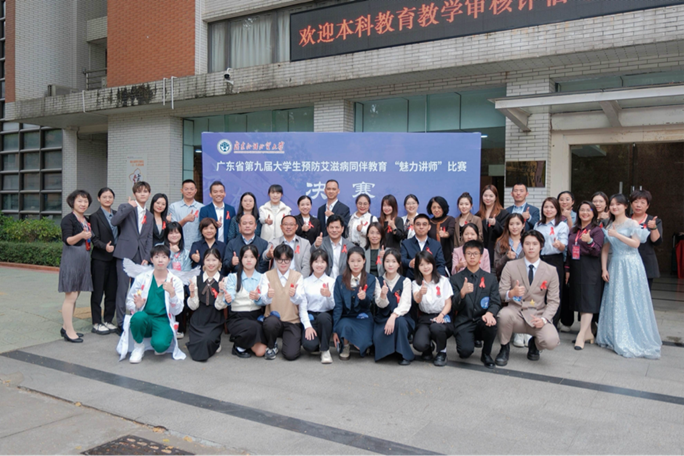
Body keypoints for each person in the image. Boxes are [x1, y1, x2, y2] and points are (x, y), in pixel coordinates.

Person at [598, 194, 661, 359]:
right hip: (616, 264)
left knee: (632, 299)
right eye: (612, 204)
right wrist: (604, 268)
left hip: (632, 264)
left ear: (626, 206)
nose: (615, 207)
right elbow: (605, 249)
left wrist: (617, 235)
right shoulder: (609, 224)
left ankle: (633, 335)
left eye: (618, 204)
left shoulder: (632, 223)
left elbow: (636, 244)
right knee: (616, 300)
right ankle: (615, 334)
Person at [495, 231, 561, 367]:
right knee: (503, 315)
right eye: (527, 244)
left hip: (538, 315)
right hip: (516, 312)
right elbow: (501, 292)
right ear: (522, 246)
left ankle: (534, 344)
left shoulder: (551, 270)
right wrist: (511, 293)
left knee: (551, 341)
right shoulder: (510, 266)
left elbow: (554, 301)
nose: (531, 247)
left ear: (541, 246)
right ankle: (504, 347)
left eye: (535, 244)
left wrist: (544, 319)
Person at [116, 245, 186, 363]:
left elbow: (177, 310)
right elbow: (130, 301)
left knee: (160, 347)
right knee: (137, 317)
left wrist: (172, 293)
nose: (160, 260)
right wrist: (137, 305)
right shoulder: (142, 278)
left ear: (169, 260)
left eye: (164, 257)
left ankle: (158, 339)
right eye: (157, 257)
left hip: (163, 320)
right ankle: (138, 346)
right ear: (151, 259)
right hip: (146, 318)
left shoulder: (175, 281)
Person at [450, 240, 501, 368]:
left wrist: (490, 313)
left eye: (475, 253)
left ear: (481, 256)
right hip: (464, 321)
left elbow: (496, 301)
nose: (472, 256)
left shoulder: (490, 279)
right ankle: (468, 340)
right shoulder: (455, 279)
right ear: (464, 255)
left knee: (491, 324)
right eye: (469, 253)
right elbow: (454, 306)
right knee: (464, 353)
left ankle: (486, 354)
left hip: (482, 319)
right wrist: (462, 294)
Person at [112, 181, 154, 334]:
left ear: (149, 194)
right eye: (139, 191)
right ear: (134, 193)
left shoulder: (150, 215)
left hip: (141, 256)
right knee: (122, 289)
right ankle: (120, 322)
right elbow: (114, 221)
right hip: (125, 254)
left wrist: (147, 256)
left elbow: (149, 238)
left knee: (138, 289)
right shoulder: (126, 207)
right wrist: (130, 207)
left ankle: (135, 319)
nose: (142, 194)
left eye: (145, 191)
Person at [565, 202, 604, 350]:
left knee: (588, 300)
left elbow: (597, 251)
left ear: (594, 213)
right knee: (581, 300)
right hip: (576, 267)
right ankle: (588, 333)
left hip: (590, 268)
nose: (585, 213)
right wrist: (567, 269)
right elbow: (569, 251)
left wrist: (590, 242)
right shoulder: (574, 229)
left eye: (588, 210)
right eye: (582, 210)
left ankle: (581, 336)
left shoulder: (597, 230)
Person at [59, 189, 94, 343]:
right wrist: (81, 235)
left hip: (83, 260)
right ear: (72, 202)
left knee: (75, 296)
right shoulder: (68, 219)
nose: (83, 204)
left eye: (85, 201)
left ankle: (66, 327)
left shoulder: (85, 219)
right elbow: (67, 240)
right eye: (80, 201)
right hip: (72, 260)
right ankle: (69, 331)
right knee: (71, 296)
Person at [260, 244, 305, 361]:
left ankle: (289, 340)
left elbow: (300, 300)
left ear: (291, 260)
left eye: (286, 260)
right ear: (275, 259)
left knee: (291, 355)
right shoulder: (267, 275)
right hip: (273, 319)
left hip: (292, 320)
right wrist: (268, 295)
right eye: (280, 260)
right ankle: (272, 345)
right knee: (271, 323)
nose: (283, 263)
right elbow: (264, 300)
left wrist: (294, 295)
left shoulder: (298, 276)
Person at [223, 244, 268, 358]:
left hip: (255, 315)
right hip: (237, 317)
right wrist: (228, 299)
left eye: (252, 257)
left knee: (260, 352)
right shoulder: (233, 277)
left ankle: (243, 340)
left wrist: (257, 297)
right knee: (255, 326)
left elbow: (266, 300)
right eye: (245, 257)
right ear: (241, 259)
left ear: (256, 259)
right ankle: (239, 347)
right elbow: (230, 294)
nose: (249, 260)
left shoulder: (262, 277)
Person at [332, 246, 376, 360]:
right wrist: (335, 330)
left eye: (359, 261)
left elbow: (368, 304)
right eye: (352, 261)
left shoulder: (371, 279)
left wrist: (364, 298)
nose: (355, 264)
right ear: (348, 261)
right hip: (346, 317)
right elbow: (338, 306)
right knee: (345, 325)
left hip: (363, 317)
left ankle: (360, 343)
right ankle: (345, 345)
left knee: (362, 345)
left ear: (364, 261)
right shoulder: (340, 280)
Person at [411, 251, 453, 367]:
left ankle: (442, 352)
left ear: (433, 264)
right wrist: (420, 293)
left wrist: (441, 315)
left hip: (442, 315)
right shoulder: (415, 283)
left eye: (428, 263)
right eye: (421, 264)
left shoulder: (443, 280)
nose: (425, 267)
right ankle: (428, 347)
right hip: (425, 317)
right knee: (419, 344)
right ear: (417, 267)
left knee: (437, 328)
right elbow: (417, 300)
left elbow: (448, 303)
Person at [373, 248, 414, 365]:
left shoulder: (406, 281)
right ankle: (391, 350)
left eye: (394, 261)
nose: (390, 264)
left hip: (401, 317)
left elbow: (405, 303)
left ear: (399, 264)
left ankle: (403, 354)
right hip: (383, 317)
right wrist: (382, 295)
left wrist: (394, 316)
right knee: (378, 337)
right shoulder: (378, 280)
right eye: (387, 261)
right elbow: (381, 304)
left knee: (399, 322)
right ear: (383, 263)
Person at [534, 197, 570, 330]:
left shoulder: (561, 225)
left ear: (557, 210)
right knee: (538, 291)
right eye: (546, 207)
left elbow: (563, 246)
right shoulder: (538, 225)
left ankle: (551, 325)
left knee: (554, 293)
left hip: (554, 260)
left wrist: (559, 245)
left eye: (552, 207)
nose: (548, 210)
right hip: (539, 259)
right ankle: (537, 322)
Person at [186, 247, 227, 362]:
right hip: (198, 319)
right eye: (208, 260)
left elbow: (219, 306)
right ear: (203, 261)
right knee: (198, 341)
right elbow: (193, 306)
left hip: (214, 319)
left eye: (214, 260)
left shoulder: (224, 280)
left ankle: (215, 342)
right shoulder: (196, 279)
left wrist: (221, 292)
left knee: (206, 340)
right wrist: (192, 293)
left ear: (219, 261)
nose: (211, 263)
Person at [89, 187, 118, 335]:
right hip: (100, 259)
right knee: (98, 291)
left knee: (112, 292)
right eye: (104, 197)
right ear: (99, 198)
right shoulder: (94, 216)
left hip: (115, 258)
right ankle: (96, 322)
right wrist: (104, 247)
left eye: (110, 197)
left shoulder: (117, 215)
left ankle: (108, 320)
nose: (107, 199)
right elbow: (94, 238)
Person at [300, 249, 336, 364]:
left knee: (323, 317)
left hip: (325, 316)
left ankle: (325, 350)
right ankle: (317, 341)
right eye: (316, 261)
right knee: (309, 345)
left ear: (327, 264)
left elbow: (333, 306)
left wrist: (328, 296)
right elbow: (302, 307)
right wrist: (307, 326)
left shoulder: (331, 282)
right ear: (311, 263)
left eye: (322, 262)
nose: (319, 265)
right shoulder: (305, 282)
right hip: (310, 316)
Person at [163, 221, 192, 339]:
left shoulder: (186, 252)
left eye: (177, 232)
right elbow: (160, 266)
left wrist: (176, 282)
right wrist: (171, 253)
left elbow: (186, 272)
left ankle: (179, 327)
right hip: (163, 280)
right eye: (171, 233)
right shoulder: (160, 248)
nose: (174, 235)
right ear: (166, 235)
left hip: (180, 282)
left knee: (180, 292)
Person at [630, 189, 663, 290]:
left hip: (646, 263)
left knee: (644, 294)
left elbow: (656, 242)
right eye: (635, 202)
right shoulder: (625, 219)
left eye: (642, 202)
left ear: (647, 206)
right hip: (628, 262)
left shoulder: (654, 221)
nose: (638, 205)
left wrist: (653, 228)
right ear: (631, 204)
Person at [400, 213, 447, 280]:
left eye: (424, 224)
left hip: (431, 280)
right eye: (418, 224)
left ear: (429, 227)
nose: (421, 227)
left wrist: (437, 280)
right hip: (412, 280)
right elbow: (401, 259)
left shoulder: (436, 244)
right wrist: (410, 263)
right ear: (413, 226)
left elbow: (441, 264)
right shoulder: (406, 243)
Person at [477, 185, 509, 270]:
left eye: (491, 196)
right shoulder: (478, 215)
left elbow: (505, 232)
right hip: (481, 252)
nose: (488, 198)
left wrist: (495, 224)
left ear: (496, 198)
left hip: (496, 252)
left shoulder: (503, 213)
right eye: (485, 195)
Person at [319, 215, 355, 280]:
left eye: (337, 227)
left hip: (344, 281)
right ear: (327, 229)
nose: (334, 230)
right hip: (324, 281)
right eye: (331, 227)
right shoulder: (321, 243)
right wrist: (316, 246)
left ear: (342, 229)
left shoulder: (350, 246)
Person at [169, 179, 203, 247]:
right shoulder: (174, 207)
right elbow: (173, 228)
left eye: (191, 189)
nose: (189, 191)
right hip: (178, 245)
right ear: (181, 191)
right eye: (186, 189)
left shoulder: (202, 207)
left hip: (197, 245)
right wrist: (185, 220)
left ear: (195, 191)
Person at [426, 196, 456, 272]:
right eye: (434, 207)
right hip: (432, 257)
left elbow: (451, 230)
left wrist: (446, 234)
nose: (436, 210)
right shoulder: (428, 222)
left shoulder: (450, 219)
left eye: (439, 207)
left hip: (447, 256)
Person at [493, 213, 526, 280]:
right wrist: (506, 257)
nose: (514, 227)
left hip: (525, 279)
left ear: (523, 225)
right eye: (511, 224)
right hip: (506, 280)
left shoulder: (527, 242)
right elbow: (496, 266)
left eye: (518, 224)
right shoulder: (501, 242)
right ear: (507, 226)